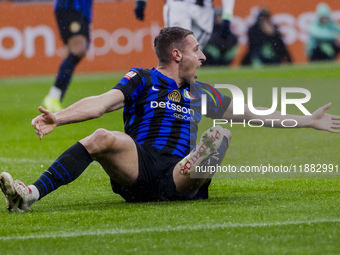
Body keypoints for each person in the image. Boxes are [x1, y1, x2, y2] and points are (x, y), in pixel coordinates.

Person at [1, 27, 340, 213]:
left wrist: (307, 120)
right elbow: (102, 103)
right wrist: (57, 118)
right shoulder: (142, 78)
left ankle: (196, 169)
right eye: (197, 50)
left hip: (179, 172)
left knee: (221, 134)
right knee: (103, 135)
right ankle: (29, 194)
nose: (204, 57)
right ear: (178, 55)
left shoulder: (203, 93)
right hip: (140, 166)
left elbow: (255, 115)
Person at [43, 0, 143, 113]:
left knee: (77, 50)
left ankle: (54, 96)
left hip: (82, 10)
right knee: (78, 49)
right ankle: (53, 97)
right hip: (70, 6)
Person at [134, 0, 235, 50]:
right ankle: (166, 86)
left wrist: (227, 16)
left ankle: (183, 86)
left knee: (193, 52)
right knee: (174, 47)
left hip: (204, 9)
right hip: (178, 4)